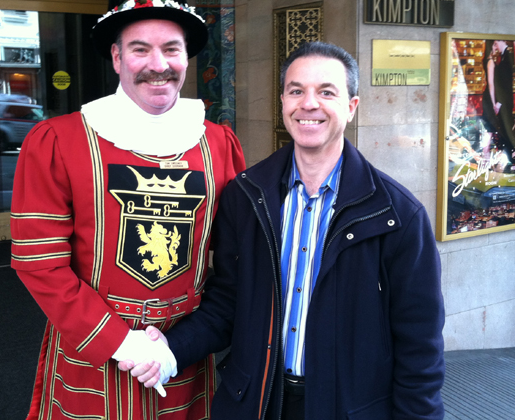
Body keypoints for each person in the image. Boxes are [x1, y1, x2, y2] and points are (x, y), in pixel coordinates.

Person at [132, 41, 445, 419]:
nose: (308, 104)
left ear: (352, 106)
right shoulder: (246, 197)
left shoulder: (397, 215)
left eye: (326, 92)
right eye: (296, 91)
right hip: (258, 401)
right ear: (282, 102)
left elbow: (420, 346)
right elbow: (228, 303)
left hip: (348, 407)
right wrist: (170, 347)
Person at [11, 0, 245, 420]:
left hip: (183, 354)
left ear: (187, 56)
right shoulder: (58, 141)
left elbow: (236, 263)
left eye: (172, 49)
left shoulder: (219, 144)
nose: (159, 64)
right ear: (117, 57)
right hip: (91, 353)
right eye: (140, 49)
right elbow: (39, 263)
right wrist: (119, 342)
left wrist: (179, 346)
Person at [481, 39, 515, 167]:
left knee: (490, 129)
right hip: (490, 98)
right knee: (491, 128)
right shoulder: (491, 62)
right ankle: (489, 157)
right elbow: (491, 85)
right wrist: (493, 102)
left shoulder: (491, 60)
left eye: (496, 44)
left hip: (490, 98)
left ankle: (487, 157)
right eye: (494, 44)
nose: (496, 47)